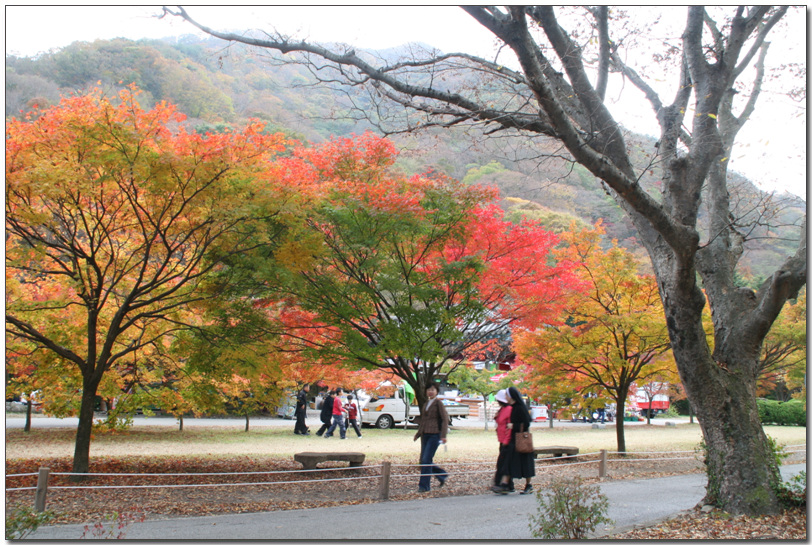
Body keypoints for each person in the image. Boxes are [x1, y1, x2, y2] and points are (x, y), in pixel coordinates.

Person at [492, 386, 535, 495]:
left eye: (506, 395)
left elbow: (527, 422)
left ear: (511, 396)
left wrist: (513, 425)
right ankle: (505, 484)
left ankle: (528, 484)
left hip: (521, 439)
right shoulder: (511, 407)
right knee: (508, 462)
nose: (505, 397)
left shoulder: (520, 407)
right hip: (512, 440)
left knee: (525, 463)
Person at [413, 383, 449, 493]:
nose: (430, 391)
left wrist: (443, 435)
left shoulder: (438, 403)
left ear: (437, 391)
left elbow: (445, 419)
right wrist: (418, 434)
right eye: (429, 389)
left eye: (433, 389)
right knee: (425, 460)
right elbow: (424, 420)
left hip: (435, 434)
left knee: (426, 460)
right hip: (425, 434)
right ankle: (441, 475)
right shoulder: (426, 403)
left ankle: (424, 486)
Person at [492, 389, 514, 493]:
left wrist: (506, 440)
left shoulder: (509, 409)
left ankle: (502, 484)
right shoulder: (502, 409)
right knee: (504, 462)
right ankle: (509, 485)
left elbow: (509, 426)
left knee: (503, 463)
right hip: (502, 439)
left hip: (507, 440)